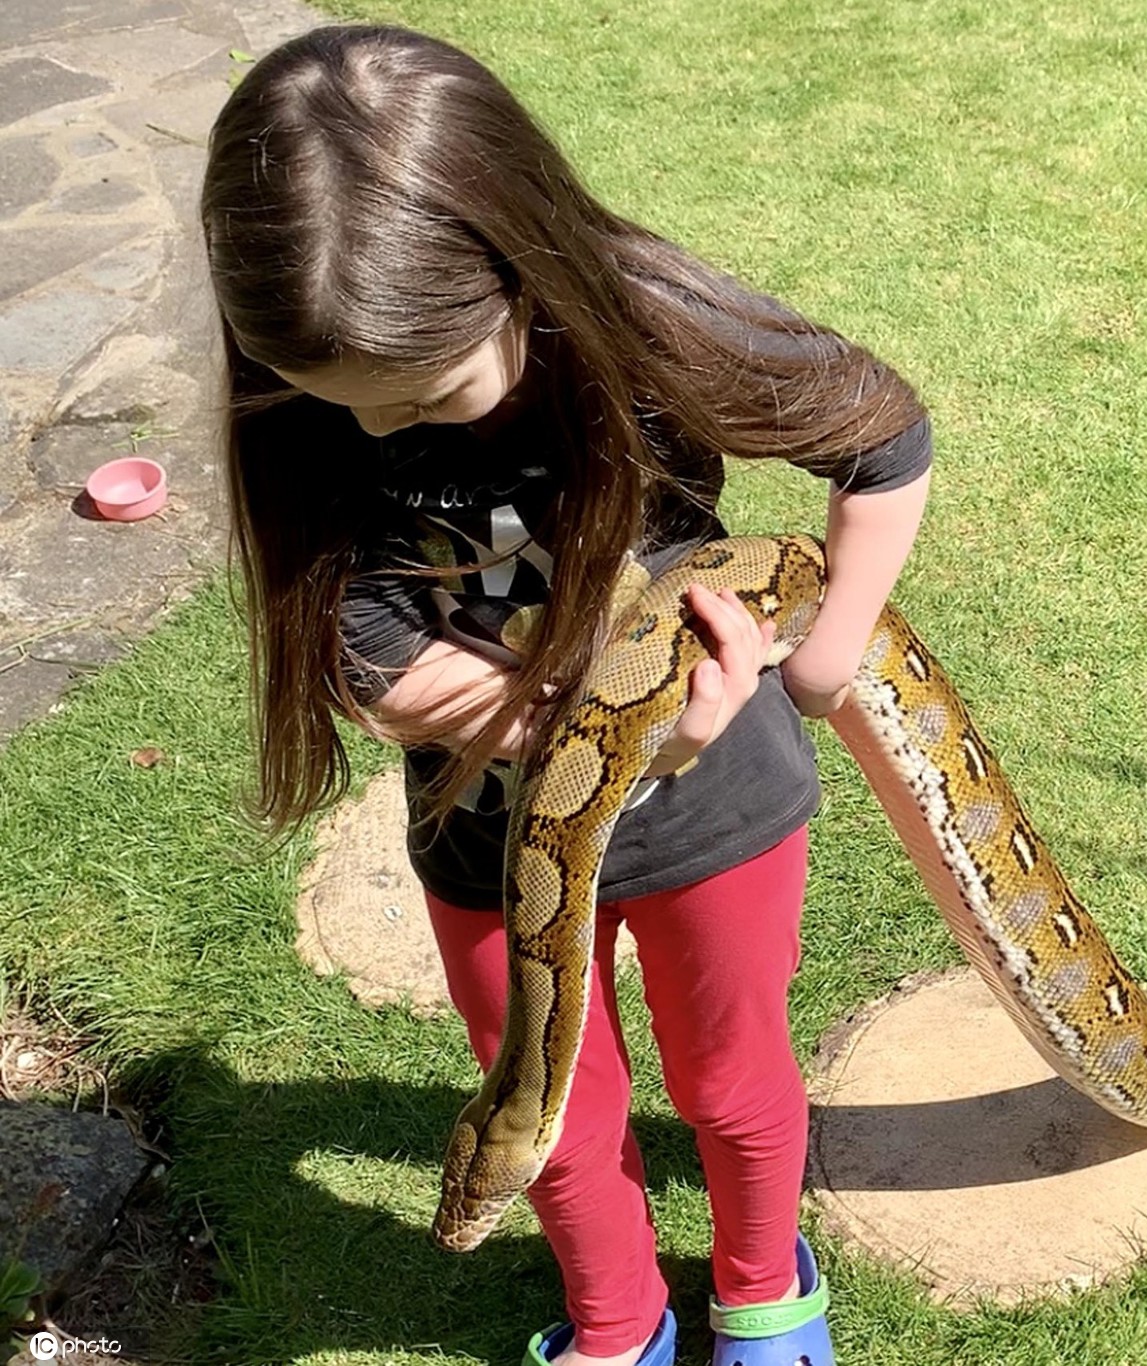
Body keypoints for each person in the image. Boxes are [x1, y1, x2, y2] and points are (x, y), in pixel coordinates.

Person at [201, 24, 931, 1366]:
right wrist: (435, 698)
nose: (375, 432)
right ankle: (617, 1321)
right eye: (337, 402)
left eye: (418, 397)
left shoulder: (649, 319)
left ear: (517, 271)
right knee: (564, 1106)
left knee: (732, 1078)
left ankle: (765, 1294)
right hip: (483, 839)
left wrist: (825, 654)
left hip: (724, 799)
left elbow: (885, 431)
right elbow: (344, 621)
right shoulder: (316, 374)